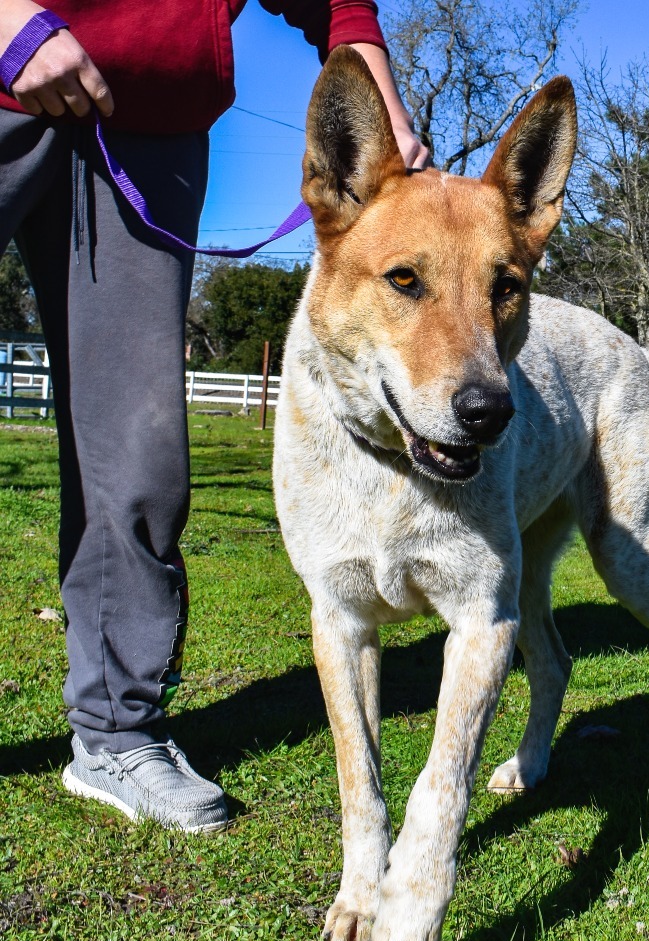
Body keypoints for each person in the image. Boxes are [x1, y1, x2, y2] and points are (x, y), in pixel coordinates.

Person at [0, 0, 428, 831]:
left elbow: (337, 4)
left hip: (145, 128)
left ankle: (117, 730)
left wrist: (388, 113)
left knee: (141, 448)